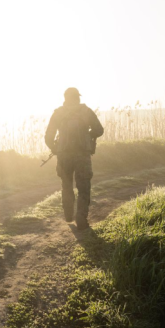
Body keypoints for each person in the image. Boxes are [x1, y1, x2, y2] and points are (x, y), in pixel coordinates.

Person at [44, 87, 104, 230]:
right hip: (82, 155)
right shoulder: (86, 111)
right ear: (78, 97)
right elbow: (99, 130)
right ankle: (81, 218)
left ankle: (68, 215)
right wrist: (88, 135)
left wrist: (55, 148)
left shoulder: (58, 113)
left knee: (66, 184)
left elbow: (48, 137)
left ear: (65, 98)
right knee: (83, 187)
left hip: (64, 155)